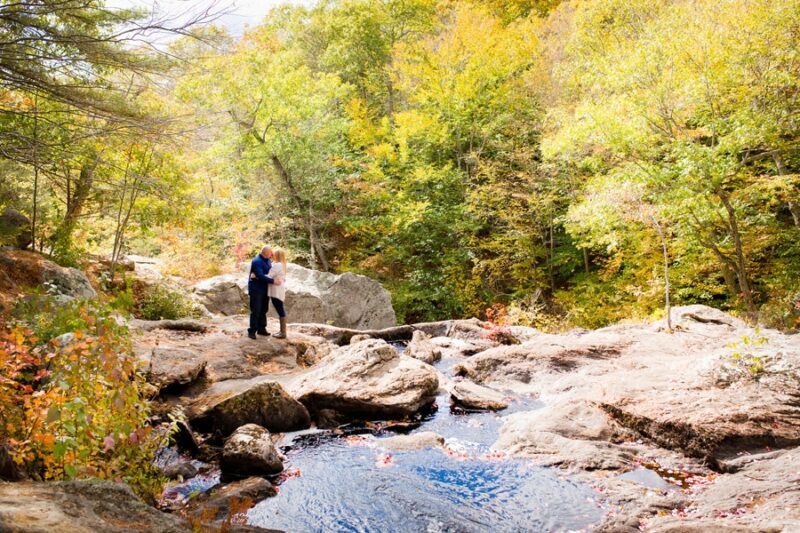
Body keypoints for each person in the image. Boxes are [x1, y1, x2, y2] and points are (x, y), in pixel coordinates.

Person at [247, 245, 282, 339]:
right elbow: (260, 275)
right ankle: (252, 331)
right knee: (256, 310)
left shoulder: (268, 260)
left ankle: (261, 329)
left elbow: (269, 274)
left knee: (263, 310)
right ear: (266, 252)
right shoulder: (256, 261)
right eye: (271, 252)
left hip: (265, 289)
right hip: (256, 290)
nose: (272, 254)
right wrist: (273, 281)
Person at [267, 248, 288, 339]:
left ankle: (283, 333)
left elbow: (269, 276)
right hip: (279, 289)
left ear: (277, 255)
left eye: (273, 254)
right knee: (280, 308)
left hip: (276, 290)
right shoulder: (282, 264)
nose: (272, 256)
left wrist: (256, 276)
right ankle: (282, 331)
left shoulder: (277, 265)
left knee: (280, 309)